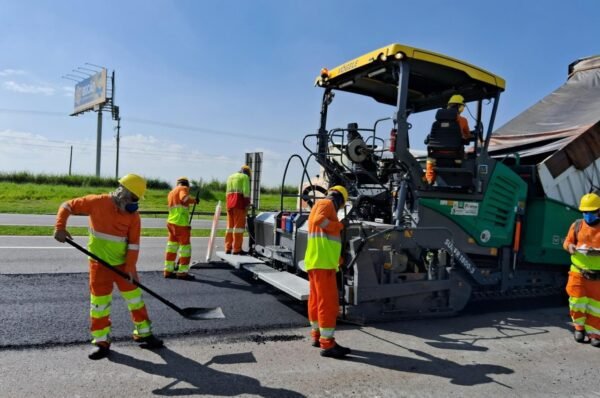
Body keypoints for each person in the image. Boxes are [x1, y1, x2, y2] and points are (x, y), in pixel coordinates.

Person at [53, 173, 163, 360]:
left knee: (135, 299)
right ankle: (101, 342)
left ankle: (143, 333)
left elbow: (133, 245)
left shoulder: (134, 216)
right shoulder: (97, 202)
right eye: (134, 199)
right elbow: (67, 205)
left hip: (123, 266)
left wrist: (129, 269)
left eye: (137, 200)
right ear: (124, 194)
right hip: (99, 265)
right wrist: (60, 227)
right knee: (99, 305)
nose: (135, 204)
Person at [304, 185, 352, 359]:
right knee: (328, 303)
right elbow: (319, 221)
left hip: (318, 261)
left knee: (316, 301)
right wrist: (338, 225)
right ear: (339, 198)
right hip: (322, 263)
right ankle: (328, 344)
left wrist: (336, 258)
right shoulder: (326, 204)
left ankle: (317, 336)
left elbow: (324, 238)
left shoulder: (320, 204)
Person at [563, 192, 600, 347]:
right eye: (585, 212)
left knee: (596, 307)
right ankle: (579, 328)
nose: (588, 215)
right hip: (578, 272)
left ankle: (594, 334)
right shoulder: (577, 225)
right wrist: (570, 247)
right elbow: (567, 242)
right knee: (577, 302)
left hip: (597, 276)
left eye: (591, 212)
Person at [425, 94, 476, 185]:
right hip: (455, 154)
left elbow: (431, 138)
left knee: (430, 161)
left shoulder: (436, 123)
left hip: (436, 155)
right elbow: (467, 136)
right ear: (460, 107)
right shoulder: (463, 120)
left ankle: (429, 180)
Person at [164, 176, 197, 280]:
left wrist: (194, 201)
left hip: (171, 223)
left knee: (172, 247)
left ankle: (168, 271)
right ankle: (182, 273)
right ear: (186, 184)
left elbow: (181, 200)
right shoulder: (183, 189)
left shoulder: (171, 192)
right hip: (181, 224)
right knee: (185, 248)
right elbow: (184, 198)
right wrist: (192, 199)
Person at [225, 165, 251, 255]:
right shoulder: (245, 177)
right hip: (239, 205)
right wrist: (247, 204)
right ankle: (237, 249)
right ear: (247, 173)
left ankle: (228, 248)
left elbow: (227, 193)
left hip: (229, 205)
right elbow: (246, 192)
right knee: (238, 228)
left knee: (230, 228)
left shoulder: (230, 177)